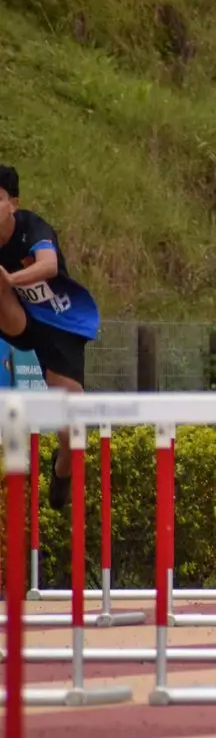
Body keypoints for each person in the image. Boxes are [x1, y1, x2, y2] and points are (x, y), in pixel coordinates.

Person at [0, 165, 101, 511]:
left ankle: (62, 470)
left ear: (12, 203)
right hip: (19, 319)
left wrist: (14, 280)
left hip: (59, 324)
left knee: (72, 430)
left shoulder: (33, 227)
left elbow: (48, 266)